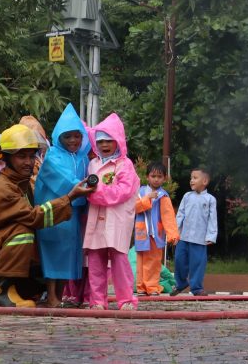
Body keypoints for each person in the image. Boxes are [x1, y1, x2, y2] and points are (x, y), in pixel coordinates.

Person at [0, 124, 95, 308]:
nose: (28, 162)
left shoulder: (19, 182)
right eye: (21, 156)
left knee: (37, 277)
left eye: (32, 156)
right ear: (7, 158)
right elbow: (33, 218)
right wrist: (69, 197)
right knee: (23, 231)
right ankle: (1, 292)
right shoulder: (3, 187)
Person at [35, 104, 91, 308]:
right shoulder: (52, 156)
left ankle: (58, 296)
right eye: (68, 137)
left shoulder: (83, 158)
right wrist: (83, 189)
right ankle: (51, 296)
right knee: (52, 254)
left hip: (72, 215)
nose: (73, 141)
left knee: (68, 255)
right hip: (54, 215)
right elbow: (63, 180)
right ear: (59, 137)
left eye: (77, 136)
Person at [83, 113, 140, 310]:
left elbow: (122, 192)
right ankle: (97, 300)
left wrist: (95, 192)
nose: (104, 145)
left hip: (116, 220)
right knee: (96, 262)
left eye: (109, 140)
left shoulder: (125, 165)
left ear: (118, 141)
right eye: (100, 141)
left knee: (119, 261)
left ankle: (125, 299)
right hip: (96, 220)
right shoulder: (93, 164)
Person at [170, 168, 217, 297]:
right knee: (179, 260)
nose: (191, 180)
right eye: (191, 178)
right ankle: (180, 284)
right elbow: (180, 215)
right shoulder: (187, 196)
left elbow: (212, 219)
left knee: (197, 264)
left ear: (205, 181)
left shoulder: (210, 199)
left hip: (200, 239)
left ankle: (196, 288)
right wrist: (175, 232)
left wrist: (211, 236)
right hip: (183, 237)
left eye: (195, 178)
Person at [134, 163, 180, 296]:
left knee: (154, 261)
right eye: (153, 176)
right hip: (141, 233)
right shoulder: (140, 192)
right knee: (141, 260)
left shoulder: (163, 196)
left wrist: (173, 235)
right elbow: (134, 208)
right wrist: (147, 198)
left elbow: (168, 216)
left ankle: (152, 286)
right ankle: (141, 287)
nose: (156, 179)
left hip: (156, 234)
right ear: (147, 177)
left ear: (164, 178)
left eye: (159, 176)